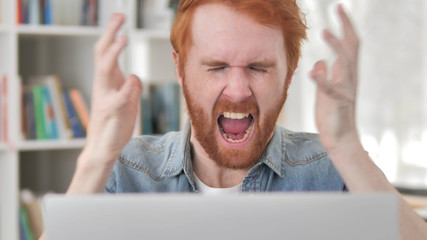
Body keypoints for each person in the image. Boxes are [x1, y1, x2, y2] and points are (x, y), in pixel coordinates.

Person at [66, 0, 427, 238]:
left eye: (258, 67)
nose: (237, 90)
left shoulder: (332, 171)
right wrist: (96, 156)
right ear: (180, 68)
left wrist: (347, 147)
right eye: (216, 67)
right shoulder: (125, 172)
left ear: (290, 71)